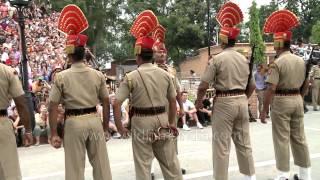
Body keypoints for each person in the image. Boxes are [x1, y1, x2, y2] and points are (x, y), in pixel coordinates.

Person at [113, 10, 183, 180]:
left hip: (141, 122)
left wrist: (121, 128)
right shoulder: (167, 74)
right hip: (162, 120)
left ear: (137, 55)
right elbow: (173, 101)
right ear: (152, 55)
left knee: (143, 166)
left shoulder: (131, 77)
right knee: (171, 165)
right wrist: (172, 122)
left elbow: (116, 103)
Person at [48, 5, 112, 180]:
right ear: (85, 53)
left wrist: (53, 132)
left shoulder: (61, 77)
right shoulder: (97, 74)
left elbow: (52, 106)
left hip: (73, 123)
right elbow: (106, 102)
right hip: (93, 119)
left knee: (75, 170)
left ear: (69, 55)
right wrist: (106, 127)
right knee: (102, 167)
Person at [195, 2, 256, 180]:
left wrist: (199, 102)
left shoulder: (217, 59)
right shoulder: (243, 59)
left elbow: (203, 85)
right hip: (241, 101)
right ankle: (250, 177)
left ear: (222, 40)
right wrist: (243, 98)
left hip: (224, 102)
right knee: (244, 143)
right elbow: (252, 85)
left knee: (221, 146)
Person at [261, 9, 312, 180]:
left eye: (275, 43)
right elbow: (306, 84)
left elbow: (271, 88)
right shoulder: (301, 61)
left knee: (282, 138)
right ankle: (305, 174)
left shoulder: (277, 63)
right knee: (299, 138)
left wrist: (263, 110)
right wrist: (301, 98)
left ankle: (283, 175)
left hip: (282, 101)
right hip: (297, 99)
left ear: (279, 44)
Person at [151, 24, 186, 179]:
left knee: (172, 137)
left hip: (170, 108)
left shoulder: (171, 70)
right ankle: (151, 169)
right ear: (153, 54)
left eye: (164, 52)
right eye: (159, 52)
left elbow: (177, 90)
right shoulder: (149, 69)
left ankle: (175, 164)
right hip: (155, 108)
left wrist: (182, 107)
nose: (162, 55)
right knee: (154, 138)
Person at [0, 62, 33, 180]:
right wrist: (28, 130)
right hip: (2, 123)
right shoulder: (8, 71)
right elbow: (21, 104)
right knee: (10, 173)